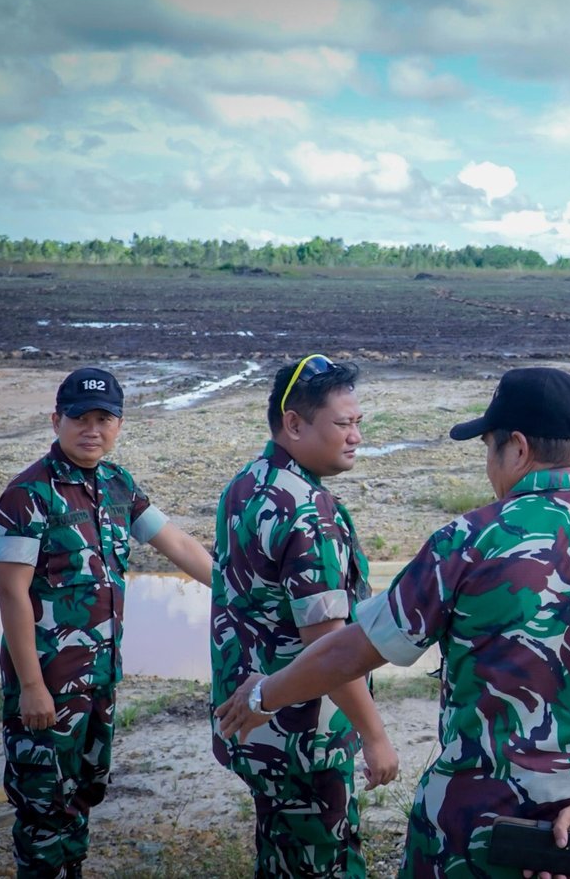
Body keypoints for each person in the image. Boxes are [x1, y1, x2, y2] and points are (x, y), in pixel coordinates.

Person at [215, 366, 570, 879]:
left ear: (518, 449)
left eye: (489, 449)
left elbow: (353, 649)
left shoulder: (466, 542)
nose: (488, 466)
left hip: (467, 838)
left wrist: (265, 694)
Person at [0, 366, 214, 879]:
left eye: (104, 419)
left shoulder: (117, 485)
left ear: (118, 425)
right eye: (80, 417)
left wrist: (236, 591)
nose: (92, 429)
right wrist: (31, 686)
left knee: (85, 790)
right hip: (47, 682)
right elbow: (10, 592)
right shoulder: (28, 494)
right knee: (43, 804)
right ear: (56, 420)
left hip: (99, 680)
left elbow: (175, 543)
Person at [209, 355, 399, 877]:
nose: (356, 436)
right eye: (343, 424)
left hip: (251, 723)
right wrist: (375, 736)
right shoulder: (310, 512)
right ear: (294, 423)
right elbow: (329, 649)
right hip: (301, 734)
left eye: (358, 422)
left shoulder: (245, 484)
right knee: (326, 863)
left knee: (280, 852)